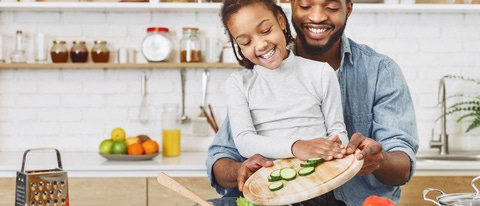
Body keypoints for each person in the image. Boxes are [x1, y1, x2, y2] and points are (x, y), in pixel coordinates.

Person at [207, 0, 419, 205]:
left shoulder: (379, 71)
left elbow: (402, 167)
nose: (317, 17)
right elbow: (223, 156)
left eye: (332, 6)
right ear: (291, 7)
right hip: (277, 196)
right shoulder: (244, 83)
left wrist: (374, 158)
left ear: (349, 8)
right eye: (306, 6)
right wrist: (243, 170)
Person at [223, 0, 348, 160]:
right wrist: (296, 147)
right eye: (246, 42)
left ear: (281, 20)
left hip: (321, 176)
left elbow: (338, 132)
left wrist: (336, 149)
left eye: (266, 31)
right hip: (271, 180)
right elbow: (244, 142)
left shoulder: (321, 73)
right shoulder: (238, 83)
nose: (261, 45)